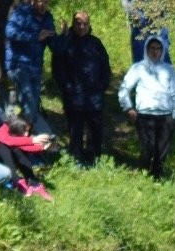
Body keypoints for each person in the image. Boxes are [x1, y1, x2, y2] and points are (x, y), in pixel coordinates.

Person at [50, 9, 110, 166]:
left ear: (89, 25)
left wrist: (102, 87)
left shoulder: (96, 44)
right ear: (73, 23)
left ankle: (94, 159)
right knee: (75, 131)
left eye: (85, 23)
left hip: (94, 97)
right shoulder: (65, 43)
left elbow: (105, 68)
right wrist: (67, 88)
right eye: (78, 23)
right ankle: (76, 159)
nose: (82, 26)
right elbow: (57, 69)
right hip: (73, 96)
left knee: (95, 130)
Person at [117, 35, 175, 179]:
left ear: (162, 50)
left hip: (165, 115)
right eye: (152, 48)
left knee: (162, 151)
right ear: (147, 49)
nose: (155, 51)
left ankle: (157, 178)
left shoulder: (169, 70)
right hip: (145, 115)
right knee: (148, 148)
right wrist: (128, 108)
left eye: (158, 48)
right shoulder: (138, 68)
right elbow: (124, 89)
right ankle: (143, 175)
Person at [3, 0, 55, 136]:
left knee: (32, 106)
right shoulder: (21, 13)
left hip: (36, 68)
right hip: (18, 65)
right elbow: (10, 32)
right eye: (40, 1)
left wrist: (66, 36)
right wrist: (35, 36)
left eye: (46, 2)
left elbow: (54, 45)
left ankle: (26, 137)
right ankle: (24, 139)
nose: (43, 4)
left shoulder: (48, 18)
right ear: (33, 1)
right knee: (29, 105)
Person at [0, 115, 54, 198]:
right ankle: (16, 181)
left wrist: (42, 147)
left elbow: (22, 145)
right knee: (3, 146)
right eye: (24, 131)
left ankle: (33, 182)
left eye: (28, 131)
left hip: (2, 159)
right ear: (17, 126)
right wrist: (33, 140)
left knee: (16, 149)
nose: (26, 134)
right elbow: (8, 141)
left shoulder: (14, 131)